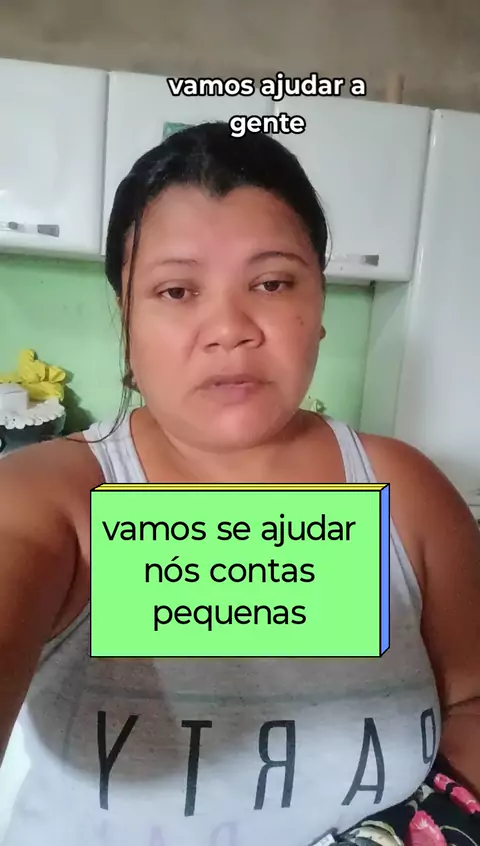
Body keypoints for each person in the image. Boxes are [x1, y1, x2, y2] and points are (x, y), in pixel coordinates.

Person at [0, 122, 479, 846]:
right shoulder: (52, 498)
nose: (229, 328)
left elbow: (471, 701)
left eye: (272, 282)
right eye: (176, 290)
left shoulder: (408, 493)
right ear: (126, 320)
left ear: (320, 306)